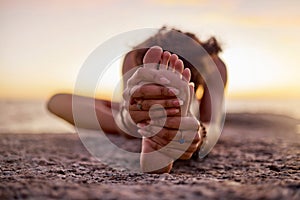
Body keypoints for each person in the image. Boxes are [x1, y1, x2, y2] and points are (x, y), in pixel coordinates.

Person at [47, 27, 227, 173]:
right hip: (138, 108)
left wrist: (197, 133)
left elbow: (212, 123)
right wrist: (135, 114)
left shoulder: (213, 64)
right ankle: (147, 122)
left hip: (156, 110)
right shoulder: (136, 56)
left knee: (61, 103)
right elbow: (213, 122)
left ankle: (153, 123)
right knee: (58, 101)